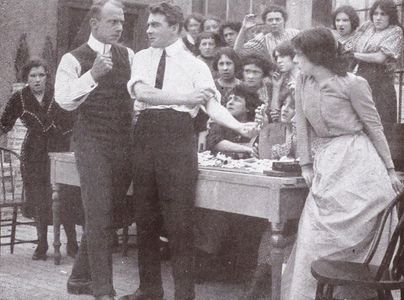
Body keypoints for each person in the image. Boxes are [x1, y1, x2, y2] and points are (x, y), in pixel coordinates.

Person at [122, 3, 257, 300]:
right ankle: (149, 290)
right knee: (145, 218)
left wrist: (240, 126)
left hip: (178, 140)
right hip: (145, 135)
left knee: (179, 222)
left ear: (175, 28)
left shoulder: (196, 65)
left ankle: (185, 294)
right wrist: (186, 97)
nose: (148, 29)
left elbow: (211, 105)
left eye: (155, 24)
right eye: (148, 24)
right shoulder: (143, 57)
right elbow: (143, 92)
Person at [281, 27, 403, 300]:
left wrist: (390, 169)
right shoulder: (302, 81)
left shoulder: (353, 84)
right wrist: (305, 165)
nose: (296, 60)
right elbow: (301, 124)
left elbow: (374, 127)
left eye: (300, 55)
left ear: (317, 55)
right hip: (326, 162)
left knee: (357, 232)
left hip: (359, 163)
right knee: (314, 237)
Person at [54, 1, 134, 299]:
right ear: (94, 23)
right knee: (99, 215)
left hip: (124, 142)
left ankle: (78, 279)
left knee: (109, 215)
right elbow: (63, 100)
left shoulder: (129, 55)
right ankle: (104, 291)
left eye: (122, 22)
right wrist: (92, 75)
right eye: (113, 21)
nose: (119, 27)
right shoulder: (73, 59)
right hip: (91, 143)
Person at [0, 59, 79, 261]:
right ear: (26, 79)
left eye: (41, 75)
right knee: (39, 199)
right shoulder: (19, 97)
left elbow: (73, 120)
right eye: (32, 76)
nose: (37, 80)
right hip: (33, 154)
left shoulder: (58, 93)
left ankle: (72, 243)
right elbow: (4, 123)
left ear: (47, 76)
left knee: (66, 196)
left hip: (59, 150)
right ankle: (42, 244)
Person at [242, 91, 297, 300]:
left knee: (275, 229)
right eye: (283, 104)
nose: (284, 109)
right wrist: (263, 128)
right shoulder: (283, 130)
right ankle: (258, 284)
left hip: (298, 192)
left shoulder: (298, 132)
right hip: (284, 188)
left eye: (291, 106)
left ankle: (260, 287)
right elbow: (266, 154)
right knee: (269, 227)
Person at [353, 0, 403, 131]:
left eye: (383, 14)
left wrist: (354, 55)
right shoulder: (368, 28)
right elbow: (352, 43)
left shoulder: (395, 31)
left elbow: (380, 57)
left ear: (391, 16)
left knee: (380, 125)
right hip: (361, 78)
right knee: (359, 123)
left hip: (381, 84)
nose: (378, 17)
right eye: (375, 13)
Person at [234, 5, 299, 63]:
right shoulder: (263, 39)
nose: (274, 22)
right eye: (270, 20)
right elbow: (238, 52)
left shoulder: (295, 34)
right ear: (265, 22)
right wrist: (243, 28)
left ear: (284, 20)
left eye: (278, 19)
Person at [268, 41, 298, 121]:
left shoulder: (305, 76)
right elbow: (275, 114)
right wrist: (276, 87)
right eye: (277, 57)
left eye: (282, 56)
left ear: (293, 56)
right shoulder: (282, 80)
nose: (278, 61)